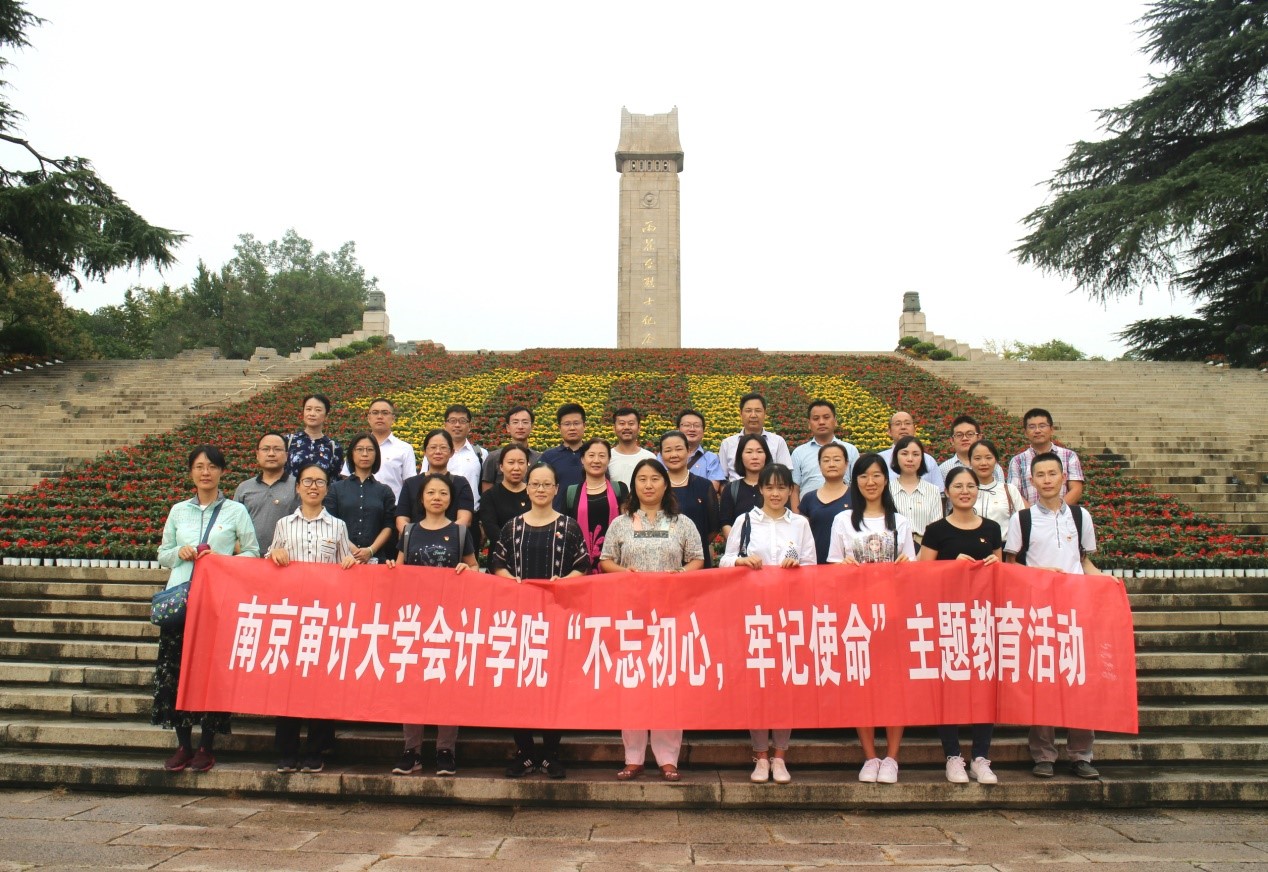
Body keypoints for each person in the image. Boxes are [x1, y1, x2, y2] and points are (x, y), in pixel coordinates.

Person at [154, 445, 260, 773]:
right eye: (199, 466)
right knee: (175, 671)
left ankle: (206, 745)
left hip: (217, 603)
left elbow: (253, 552)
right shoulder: (178, 511)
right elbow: (162, 553)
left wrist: (222, 559)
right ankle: (183, 744)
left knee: (211, 673)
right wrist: (179, 552)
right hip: (182, 600)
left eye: (212, 466)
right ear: (191, 472)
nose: (205, 472)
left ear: (221, 472)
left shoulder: (235, 511)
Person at [600, 458, 704, 782]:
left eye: (655, 479)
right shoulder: (621, 523)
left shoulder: (682, 523)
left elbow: (698, 558)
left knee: (667, 684)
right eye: (642, 479)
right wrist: (625, 573)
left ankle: (667, 758)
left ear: (665, 484)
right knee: (633, 684)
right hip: (631, 616)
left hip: (671, 615)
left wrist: (681, 573)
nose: (648, 485)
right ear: (634, 486)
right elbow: (605, 560)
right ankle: (633, 757)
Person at [1004, 451, 1102, 780]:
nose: (1047, 480)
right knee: (1043, 683)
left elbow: (1084, 560)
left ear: (1063, 478)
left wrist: (1106, 583)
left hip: (1076, 610)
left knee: (1079, 681)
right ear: (1031, 481)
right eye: (1040, 475)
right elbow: (1011, 566)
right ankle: (1043, 754)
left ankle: (1081, 754)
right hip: (1039, 612)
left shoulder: (1080, 516)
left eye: (1052, 474)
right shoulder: (1023, 519)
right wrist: (1039, 573)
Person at [490, 462, 590, 778]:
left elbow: (582, 565)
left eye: (547, 484)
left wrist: (563, 583)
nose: (541, 489)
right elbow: (497, 564)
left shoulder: (569, 526)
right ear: (527, 488)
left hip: (557, 617)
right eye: (535, 484)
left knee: (553, 685)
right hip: (520, 619)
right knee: (519, 685)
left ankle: (550, 753)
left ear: (556, 489)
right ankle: (524, 752)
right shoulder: (512, 527)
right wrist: (512, 582)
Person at [718, 463, 815, 784]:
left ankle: (780, 755)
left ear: (790, 491)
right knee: (757, 685)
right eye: (769, 487)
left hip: (789, 616)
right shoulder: (745, 521)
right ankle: (760, 755)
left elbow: (812, 566)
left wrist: (797, 566)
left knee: (785, 686)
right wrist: (741, 560)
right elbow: (724, 561)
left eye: (782, 487)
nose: (775, 493)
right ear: (760, 489)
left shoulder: (800, 524)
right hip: (753, 615)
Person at [826, 452, 914, 784]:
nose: (870, 482)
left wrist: (905, 567)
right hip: (856, 616)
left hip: (893, 615)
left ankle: (892, 757)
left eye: (876, 475)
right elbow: (831, 565)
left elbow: (911, 569)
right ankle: (870, 756)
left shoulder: (899, 522)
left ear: (886, 480)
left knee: (894, 687)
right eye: (863, 476)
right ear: (856, 481)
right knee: (861, 685)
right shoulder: (843, 520)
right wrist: (843, 567)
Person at [267, 463, 356, 773]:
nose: (313, 486)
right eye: (307, 481)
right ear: (297, 487)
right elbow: (270, 559)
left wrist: (349, 562)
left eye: (319, 482)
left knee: (320, 683)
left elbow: (346, 564)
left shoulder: (338, 526)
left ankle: (316, 749)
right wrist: (274, 555)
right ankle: (287, 750)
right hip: (291, 615)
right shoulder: (283, 524)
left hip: (324, 616)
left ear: (327, 489)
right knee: (288, 683)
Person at [917, 466, 1003, 785]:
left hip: (983, 618)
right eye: (958, 486)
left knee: (984, 687)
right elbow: (921, 574)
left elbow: (1001, 572)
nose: (965, 491)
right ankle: (953, 756)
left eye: (970, 485)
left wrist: (995, 566)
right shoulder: (936, 530)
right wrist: (951, 568)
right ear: (947, 492)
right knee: (949, 687)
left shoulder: (992, 528)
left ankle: (981, 757)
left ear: (978, 490)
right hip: (948, 618)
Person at [390, 472, 477, 778]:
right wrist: (391, 568)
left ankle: (445, 750)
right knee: (412, 685)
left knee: (446, 685)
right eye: (431, 493)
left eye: (443, 493)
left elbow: (475, 567)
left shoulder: (460, 532)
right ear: (422, 499)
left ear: (450, 499)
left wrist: (468, 569)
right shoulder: (409, 531)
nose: (437, 498)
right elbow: (399, 570)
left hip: (448, 621)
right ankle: (411, 751)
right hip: (415, 620)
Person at [324, 432, 397, 563]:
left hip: (376, 560)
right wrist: (354, 551)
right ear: (351, 454)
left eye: (370, 450)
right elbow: (330, 522)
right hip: (343, 560)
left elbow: (388, 525)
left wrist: (370, 550)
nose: (365, 454)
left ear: (376, 454)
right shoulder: (336, 489)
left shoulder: (384, 491)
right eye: (359, 449)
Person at [562, 438, 630, 575]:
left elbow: (629, 524)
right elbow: (566, 530)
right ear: (582, 459)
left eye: (602, 456)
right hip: (580, 563)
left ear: (609, 459)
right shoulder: (571, 492)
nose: (596, 460)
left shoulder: (620, 489)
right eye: (591, 455)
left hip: (616, 563)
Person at [658, 430, 720, 567]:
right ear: (661, 455)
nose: (674, 455)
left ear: (688, 451)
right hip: (662, 561)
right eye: (668, 450)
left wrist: (693, 545)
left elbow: (713, 528)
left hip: (697, 561)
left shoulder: (704, 486)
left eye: (679, 449)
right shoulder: (655, 487)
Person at [396, 430, 476, 534]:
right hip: (416, 540)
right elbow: (401, 520)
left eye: (443, 447)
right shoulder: (411, 484)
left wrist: (440, 537)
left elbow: (465, 520)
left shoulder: (461, 483)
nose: (438, 451)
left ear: (451, 452)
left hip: (451, 540)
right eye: (433, 447)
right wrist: (416, 537)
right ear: (425, 452)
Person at [233, 431, 299, 553]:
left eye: (277, 449)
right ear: (257, 454)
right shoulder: (244, 488)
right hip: (249, 556)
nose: (271, 454)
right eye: (266, 449)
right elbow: (233, 524)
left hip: (286, 557)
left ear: (286, 455)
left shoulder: (298, 486)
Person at [340, 398, 417, 503]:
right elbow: (346, 477)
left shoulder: (405, 449)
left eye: (385, 413)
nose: (380, 417)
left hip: (392, 508)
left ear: (393, 418)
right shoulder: (357, 445)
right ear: (368, 418)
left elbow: (410, 484)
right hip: (358, 506)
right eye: (375, 413)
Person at [1007, 408, 1085, 506]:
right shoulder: (1017, 461)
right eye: (1032, 427)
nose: (1037, 430)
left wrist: (1058, 511)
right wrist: (1032, 513)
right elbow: (1014, 493)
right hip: (1029, 514)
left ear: (1051, 429)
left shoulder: (1069, 456)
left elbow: (1076, 489)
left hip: (1063, 513)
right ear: (1025, 432)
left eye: (1042, 426)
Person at [790, 399, 858, 508]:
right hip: (808, 512)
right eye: (816, 418)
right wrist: (797, 517)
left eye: (826, 417)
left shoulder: (850, 450)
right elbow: (794, 489)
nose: (821, 422)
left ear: (835, 421)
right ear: (809, 424)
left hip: (845, 510)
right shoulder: (799, 453)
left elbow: (857, 484)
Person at [717, 393, 793, 482]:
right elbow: (721, 478)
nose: (753, 415)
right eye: (748, 411)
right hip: (736, 490)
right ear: (741, 413)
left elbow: (785, 474)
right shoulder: (728, 443)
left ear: (765, 413)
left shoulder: (778, 441)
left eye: (758, 411)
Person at [798, 442, 851, 565]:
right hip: (815, 564)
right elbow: (801, 535)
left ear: (846, 464)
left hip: (847, 564)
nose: (831, 464)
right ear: (819, 465)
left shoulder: (856, 497)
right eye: (826, 460)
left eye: (837, 460)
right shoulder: (809, 498)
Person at [889, 435, 946, 548]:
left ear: (922, 458)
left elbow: (937, 528)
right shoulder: (886, 489)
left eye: (915, 454)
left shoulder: (932, 490)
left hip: (925, 547)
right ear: (896, 457)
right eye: (904, 454)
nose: (910, 459)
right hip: (894, 547)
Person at [427, 404, 485, 511]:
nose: (457, 425)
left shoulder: (480, 454)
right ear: (445, 425)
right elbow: (424, 481)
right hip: (439, 512)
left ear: (469, 426)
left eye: (462, 421)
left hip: (472, 513)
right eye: (452, 421)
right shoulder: (434, 454)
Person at [719, 433, 771, 540]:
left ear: (766, 455)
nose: (755, 457)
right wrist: (738, 545)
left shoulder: (775, 488)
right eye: (749, 452)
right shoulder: (731, 489)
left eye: (760, 451)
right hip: (739, 548)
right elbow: (726, 523)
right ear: (740, 456)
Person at [478, 444, 532, 544]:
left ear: (527, 465)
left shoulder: (534, 493)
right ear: (501, 466)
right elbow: (491, 528)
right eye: (511, 462)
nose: (516, 468)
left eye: (521, 462)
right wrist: (513, 546)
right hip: (501, 549)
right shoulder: (490, 496)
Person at [968, 438, 1026, 529]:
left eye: (988, 458)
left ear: (996, 461)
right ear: (970, 462)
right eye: (977, 458)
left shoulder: (1010, 490)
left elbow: (1022, 523)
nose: (983, 463)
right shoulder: (966, 492)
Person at [877, 411, 944, 490]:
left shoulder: (928, 461)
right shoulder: (879, 459)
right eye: (898, 424)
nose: (903, 427)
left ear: (914, 429)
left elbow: (939, 491)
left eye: (907, 423)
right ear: (889, 431)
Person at [480, 406, 540, 492]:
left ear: (532, 426)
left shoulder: (539, 458)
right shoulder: (494, 457)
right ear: (508, 427)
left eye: (525, 422)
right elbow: (487, 491)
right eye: (515, 422)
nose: (520, 426)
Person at [540, 402, 588, 508]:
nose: (572, 428)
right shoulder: (548, 457)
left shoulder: (592, 455)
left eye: (576, 423)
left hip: (587, 514)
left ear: (584, 425)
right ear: (559, 427)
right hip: (557, 515)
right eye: (567, 424)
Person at [285, 393, 343, 480]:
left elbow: (336, 481)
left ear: (326, 415)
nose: (312, 414)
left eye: (318, 410)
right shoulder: (289, 441)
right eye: (308, 409)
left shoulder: (333, 447)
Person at [936, 415, 1003, 484]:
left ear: (979, 437)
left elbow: (1001, 489)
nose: (965, 438)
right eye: (959, 435)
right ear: (952, 440)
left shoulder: (994, 467)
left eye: (970, 434)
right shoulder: (944, 469)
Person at [671, 408, 726, 490]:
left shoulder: (711, 459)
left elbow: (712, 488)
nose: (692, 429)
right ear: (678, 429)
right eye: (687, 425)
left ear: (703, 431)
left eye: (697, 426)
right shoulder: (665, 456)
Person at [607, 407, 655, 488]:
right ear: (614, 428)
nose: (626, 427)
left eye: (631, 423)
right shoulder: (607, 457)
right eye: (622, 423)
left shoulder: (649, 457)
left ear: (639, 427)